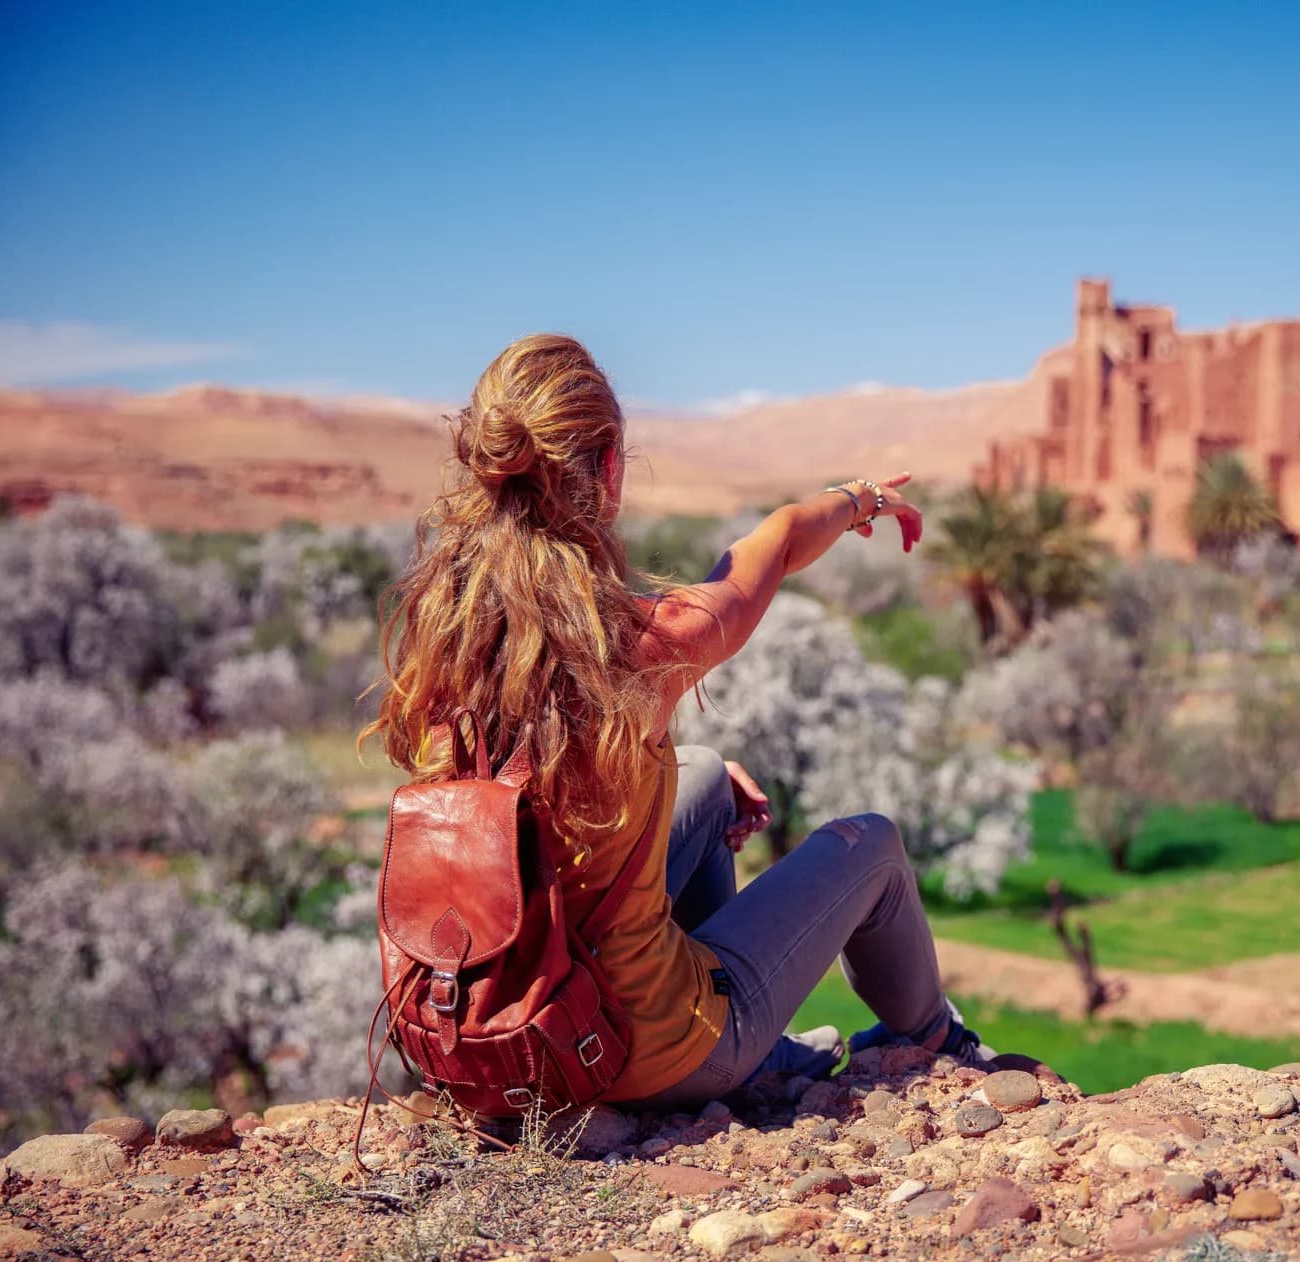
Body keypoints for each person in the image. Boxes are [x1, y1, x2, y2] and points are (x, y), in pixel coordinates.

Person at [362, 333, 987, 1107]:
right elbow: (778, 542)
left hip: (498, 1022)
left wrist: (673, 781)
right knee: (875, 845)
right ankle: (930, 1039)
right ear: (610, 469)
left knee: (700, 772)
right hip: (633, 1053)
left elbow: (529, 805)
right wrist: (864, 497)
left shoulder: (443, 639)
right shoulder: (643, 645)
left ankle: (753, 1049)